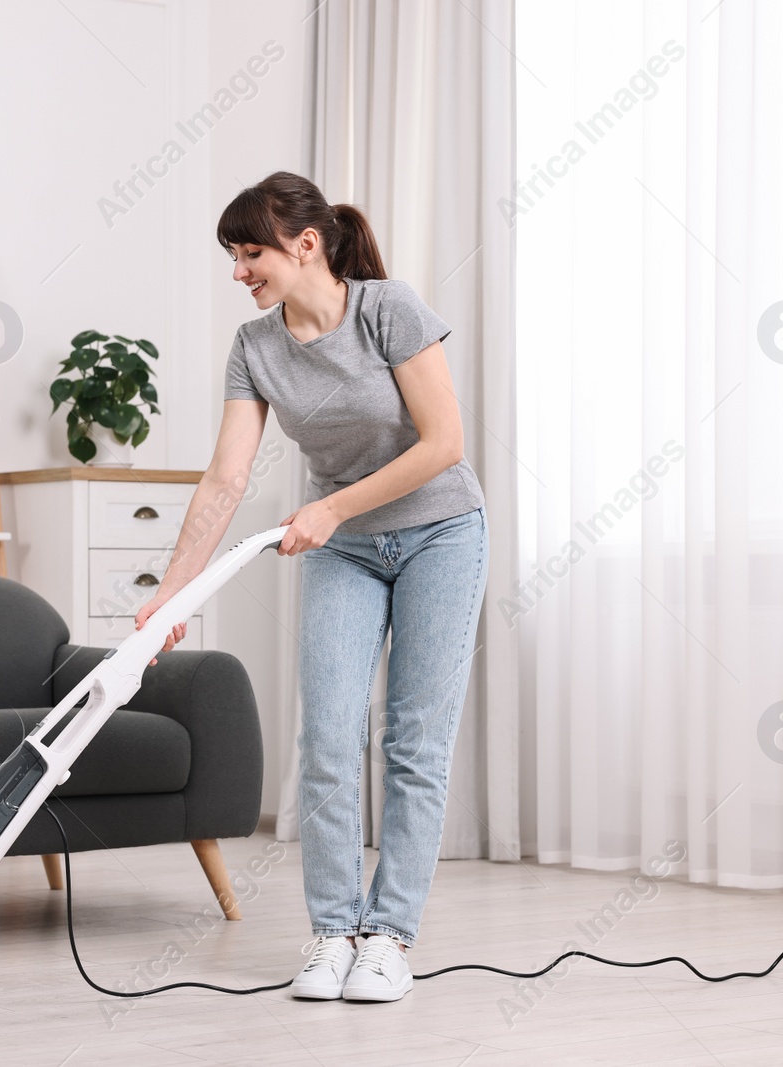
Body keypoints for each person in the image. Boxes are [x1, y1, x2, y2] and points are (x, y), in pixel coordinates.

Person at [133, 172, 488, 1003]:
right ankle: (334, 932)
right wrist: (170, 597)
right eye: (231, 255)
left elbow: (444, 443)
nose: (238, 271)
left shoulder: (387, 310)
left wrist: (328, 506)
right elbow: (224, 480)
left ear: (306, 244)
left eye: (249, 251)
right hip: (345, 549)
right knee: (327, 737)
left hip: (441, 533)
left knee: (414, 743)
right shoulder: (255, 347)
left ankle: (389, 938)